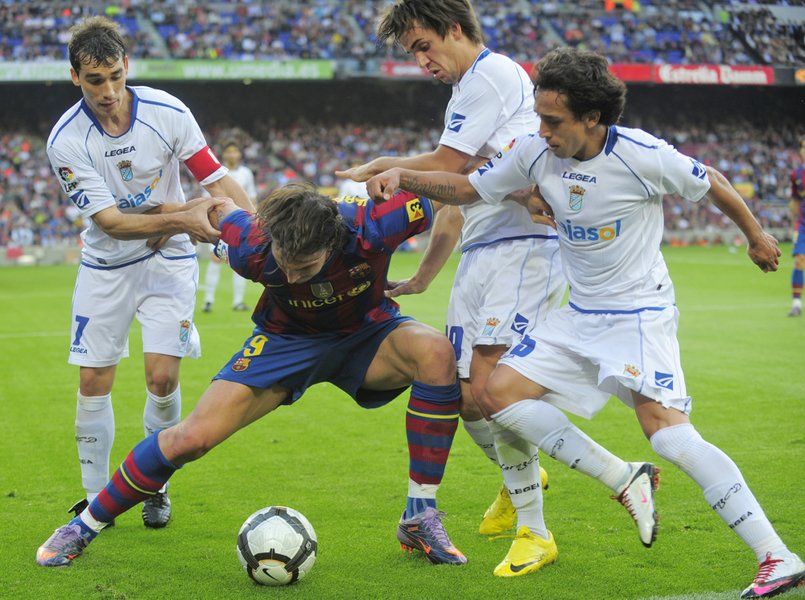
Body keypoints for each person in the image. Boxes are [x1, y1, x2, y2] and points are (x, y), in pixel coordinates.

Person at [365, 47, 805, 598]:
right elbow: (468, 188)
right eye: (539, 117)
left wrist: (757, 237)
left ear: (592, 117)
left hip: (638, 314)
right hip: (580, 314)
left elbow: (709, 179)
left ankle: (776, 555)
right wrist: (404, 175)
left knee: (669, 436)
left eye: (553, 120)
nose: (542, 131)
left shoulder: (642, 154)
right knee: (494, 391)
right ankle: (624, 477)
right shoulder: (534, 150)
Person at [37, 182, 468, 568]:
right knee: (192, 438)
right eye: (285, 263)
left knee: (434, 352)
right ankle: (84, 525)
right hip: (285, 342)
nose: (292, 275)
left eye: (305, 267)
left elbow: (450, 189)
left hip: (368, 333)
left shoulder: (375, 223)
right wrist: (175, 217)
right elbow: (218, 209)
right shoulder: (251, 244)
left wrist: (422, 271)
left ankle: (419, 515)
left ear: (333, 242)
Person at [336, 0, 565, 546]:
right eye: (413, 53)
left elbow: (444, 169)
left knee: (495, 390)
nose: (422, 63)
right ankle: (523, 476)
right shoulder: (467, 92)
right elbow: (455, 197)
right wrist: (422, 277)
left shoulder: (490, 76)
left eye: (424, 47)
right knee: (462, 396)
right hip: (483, 252)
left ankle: (587, 494)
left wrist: (391, 167)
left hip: (522, 249)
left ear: (454, 29)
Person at [46, 17, 253, 530]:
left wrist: (257, 236)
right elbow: (112, 223)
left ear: (127, 66)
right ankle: (95, 499)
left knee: (162, 378)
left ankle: (155, 486)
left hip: (169, 259)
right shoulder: (66, 140)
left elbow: (216, 180)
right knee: (93, 380)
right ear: (75, 77)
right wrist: (178, 217)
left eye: (115, 76)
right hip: (106, 265)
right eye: (95, 81)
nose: (108, 91)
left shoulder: (168, 112)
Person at [202, 140, 257, 313]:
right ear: (223, 154)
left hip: (242, 223)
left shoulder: (246, 173)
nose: (232, 154)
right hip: (220, 222)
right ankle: (208, 300)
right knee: (216, 258)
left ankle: (238, 301)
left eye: (235, 151)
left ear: (239, 154)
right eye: (229, 151)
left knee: (240, 259)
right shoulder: (215, 172)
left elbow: (252, 197)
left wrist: (254, 220)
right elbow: (206, 198)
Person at [788, 136, 805, 317]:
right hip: (803, 224)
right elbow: (795, 201)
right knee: (799, 259)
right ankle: (796, 303)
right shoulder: (797, 174)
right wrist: (794, 226)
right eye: (803, 147)